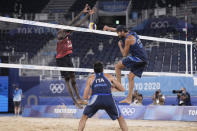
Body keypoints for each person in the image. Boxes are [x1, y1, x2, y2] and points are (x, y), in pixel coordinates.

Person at [56, 4, 96, 108]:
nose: (63, 26)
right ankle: (75, 101)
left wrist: (87, 14)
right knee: (68, 81)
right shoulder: (60, 35)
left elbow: (77, 24)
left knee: (74, 80)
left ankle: (79, 99)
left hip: (67, 58)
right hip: (61, 60)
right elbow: (72, 22)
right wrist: (83, 13)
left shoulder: (67, 33)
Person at [103, 25, 148, 104]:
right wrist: (108, 28)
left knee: (117, 66)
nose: (118, 35)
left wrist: (120, 46)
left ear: (123, 32)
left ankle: (118, 87)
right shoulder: (131, 32)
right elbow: (118, 29)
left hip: (138, 58)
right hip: (144, 58)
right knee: (130, 77)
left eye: (119, 33)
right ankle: (129, 99)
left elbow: (124, 54)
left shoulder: (128, 40)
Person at [78, 62, 128, 131]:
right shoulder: (109, 77)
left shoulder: (90, 78)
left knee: (84, 117)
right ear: (103, 69)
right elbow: (122, 89)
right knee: (120, 118)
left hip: (95, 99)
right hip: (108, 99)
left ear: (94, 70)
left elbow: (85, 97)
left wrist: (91, 97)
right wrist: (113, 87)